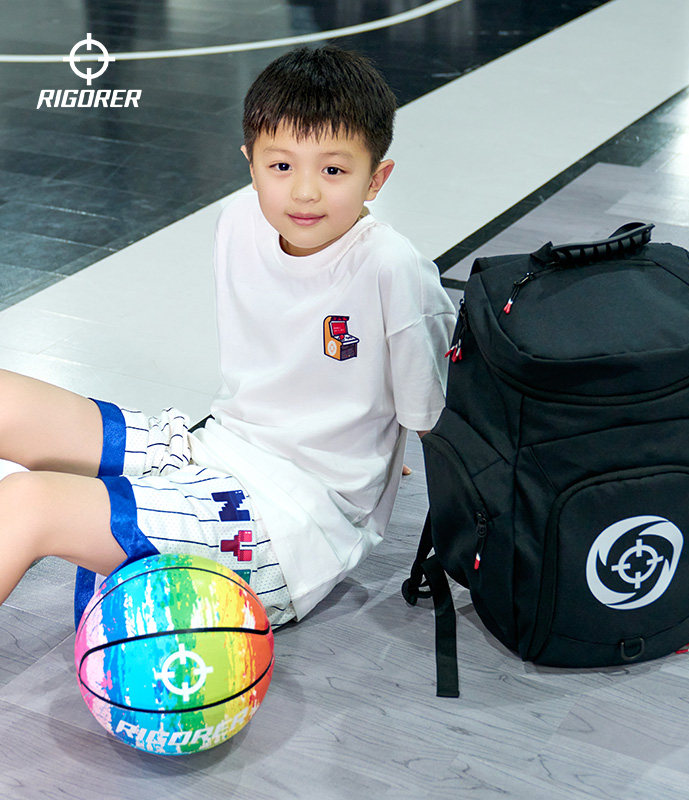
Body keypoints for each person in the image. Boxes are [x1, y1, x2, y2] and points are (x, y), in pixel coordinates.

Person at [0, 45, 456, 628]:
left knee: (29, 501)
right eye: (281, 166)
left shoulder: (392, 266)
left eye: (333, 170)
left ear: (377, 178)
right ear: (251, 163)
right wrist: (358, 424)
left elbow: (432, 419)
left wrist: (357, 457)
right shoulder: (239, 219)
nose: (305, 192)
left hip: (291, 528)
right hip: (211, 450)